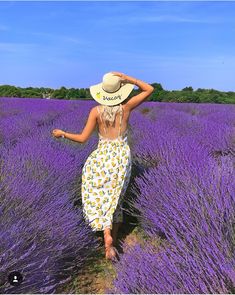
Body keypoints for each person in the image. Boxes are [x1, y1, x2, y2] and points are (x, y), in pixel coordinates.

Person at [52, 72, 154, 260]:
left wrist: (63, 133)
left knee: (101, 196)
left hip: (99, 159)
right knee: (116, 199)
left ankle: (105, 235)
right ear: (120, 92)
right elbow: (150, 89)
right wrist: (128, 79)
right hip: (120, 159)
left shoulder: (96, 111)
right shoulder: (126, 108)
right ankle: (111, 241)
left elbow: (82, 139)